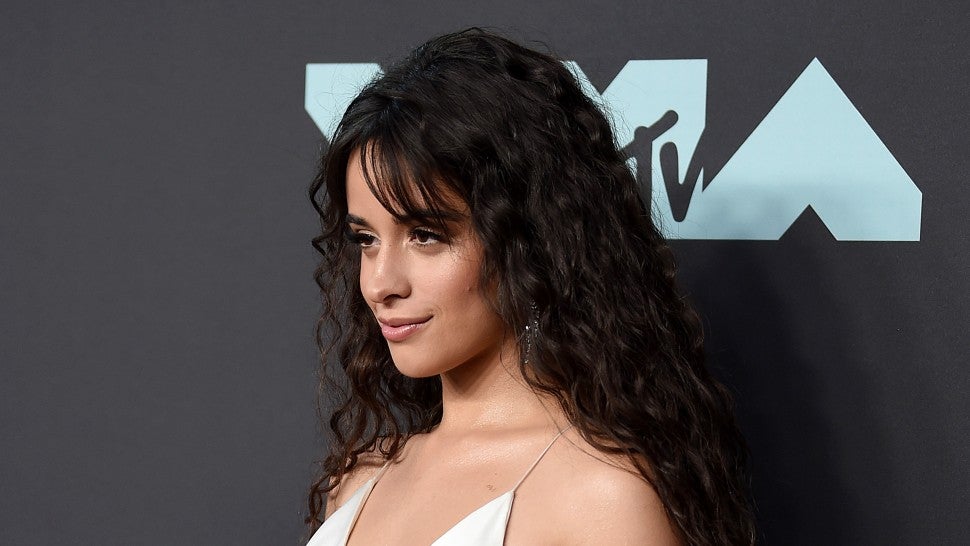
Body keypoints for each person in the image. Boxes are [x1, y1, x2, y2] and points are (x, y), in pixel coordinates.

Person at [303, 28, 755, 545]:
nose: (380, 283)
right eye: (365, 239)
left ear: (528, 239)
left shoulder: (602, 499)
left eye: (426, 235)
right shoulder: (358, 479)